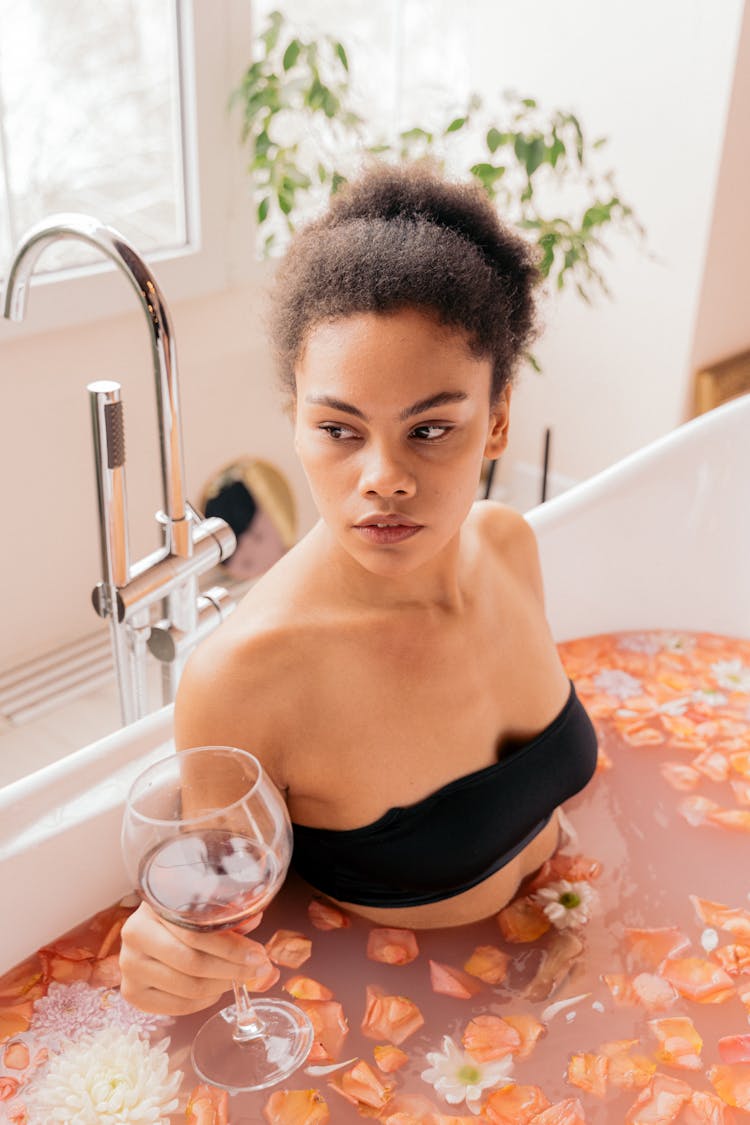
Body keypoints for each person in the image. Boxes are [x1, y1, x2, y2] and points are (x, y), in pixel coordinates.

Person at [119, 161, 598, 1016]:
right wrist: (165, 962)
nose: (383, 477)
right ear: (295, 422)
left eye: (431, 428)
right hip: (422, 1028)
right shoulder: (247, 675)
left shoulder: (509, 544)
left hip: (578, 939)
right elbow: (215, 940)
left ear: (497, 421)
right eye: (339, 429)